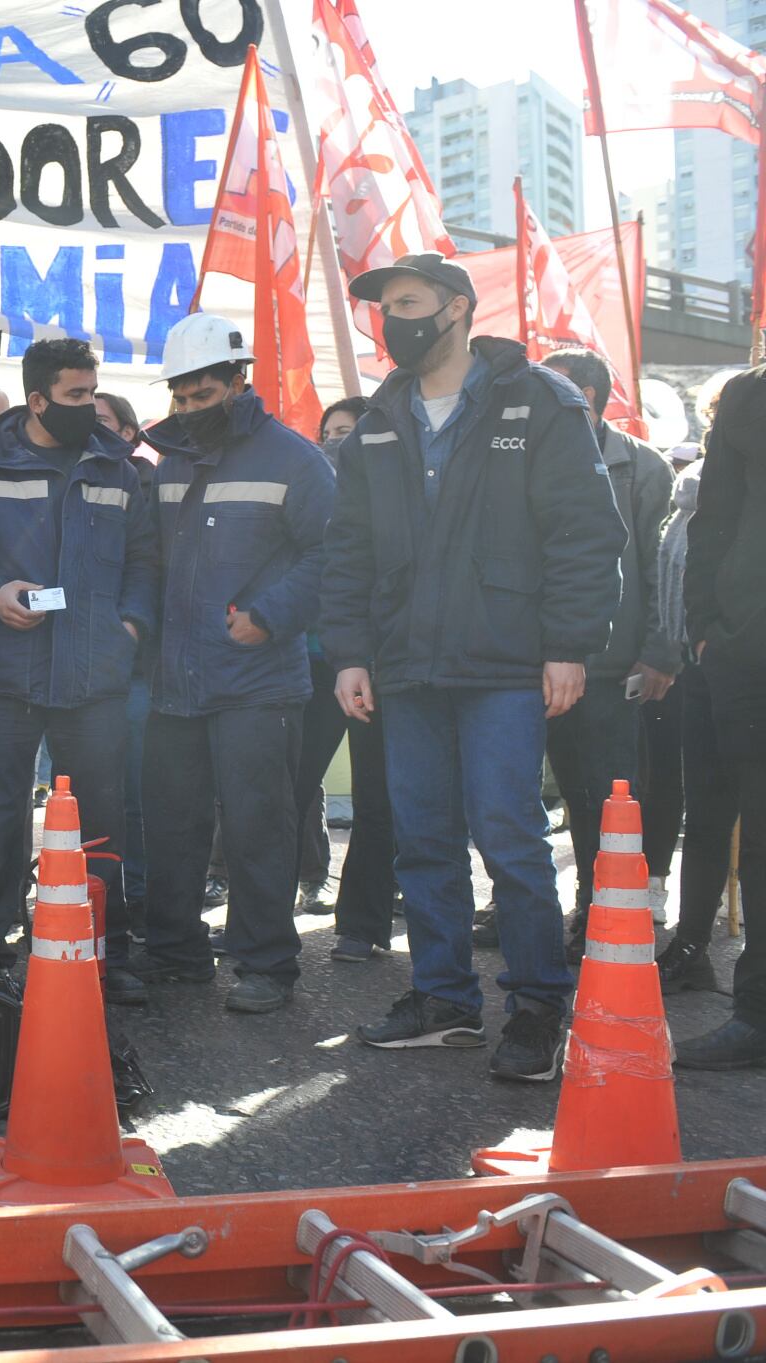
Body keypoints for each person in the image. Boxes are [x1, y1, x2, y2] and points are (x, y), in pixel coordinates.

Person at [322, 252, 625, 1081]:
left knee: (508, 834)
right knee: (423, 838)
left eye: (409, 302)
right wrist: (350, 653)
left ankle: (536, 1005)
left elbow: (585, 532)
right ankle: (445, 1000)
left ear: (457, 308)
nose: (393, 319)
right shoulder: (381, 417)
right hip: (407, 667)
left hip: (504, 665)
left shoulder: (540, 399)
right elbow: (345, 552)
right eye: (385, 306)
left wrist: (569, 643)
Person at [0, 338, 159, 998]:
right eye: (77, 395)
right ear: (37, 398)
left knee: (99, 819)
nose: (90, 406)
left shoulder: (120, 468)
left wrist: (129, 627)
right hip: (3, 672)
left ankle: (101, 950)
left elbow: (144, 561)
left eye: (93, 391)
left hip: (95, 675)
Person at [127, 315, 334, 1015]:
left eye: (203, 392)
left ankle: (266, 964)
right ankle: (177, 952)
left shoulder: (297, 460)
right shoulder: (171, 460)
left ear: (240, 381)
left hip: (257, 681)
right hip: (176, 679)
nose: (189, 407)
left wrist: (270, 613)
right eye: (180, 396)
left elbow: (331, 556)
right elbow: (151, 562)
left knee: (257, 826)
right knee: (173, 823)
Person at [528, 348, 677, 953]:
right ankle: (523, 910)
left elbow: (665, 569)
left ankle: (603, 913)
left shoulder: (641, 467)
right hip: (524, 662)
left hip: (610, 669)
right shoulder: (520, 457)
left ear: (588, 397)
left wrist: (660, 651)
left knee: (606, 801)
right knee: (524, 798)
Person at [673, 364, 766, 1069]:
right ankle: (758, 1017)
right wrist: (710, 627)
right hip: (751, 656)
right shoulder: (749, 397)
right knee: (760, 843)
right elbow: (716, 522)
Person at [654, 459, 737, 992]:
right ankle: (690, 947)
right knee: (708, 815)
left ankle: (691, 948)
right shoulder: (703, 493)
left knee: (712, 818)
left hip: (708, 664)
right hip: (708, 670)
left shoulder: (695, 496)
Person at [293, 397, 371, 917]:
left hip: (380, 665)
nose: (339, 442)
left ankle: (364, 914)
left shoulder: (391, 494)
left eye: (352, 432)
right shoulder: (308, 491)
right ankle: (288, 895)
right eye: (331, 432)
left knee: (378, 794)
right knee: (296, 782)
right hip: (316, 661)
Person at [95, 389, 155, 929]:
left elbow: (148, 568)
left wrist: (131, 627)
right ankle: (94, 900)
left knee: (134, 791)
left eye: (103, 421)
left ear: (130, 433)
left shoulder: (146, 486)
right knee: (89, 798)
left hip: (134, 670)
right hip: (79, 673)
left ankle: (135, 898)